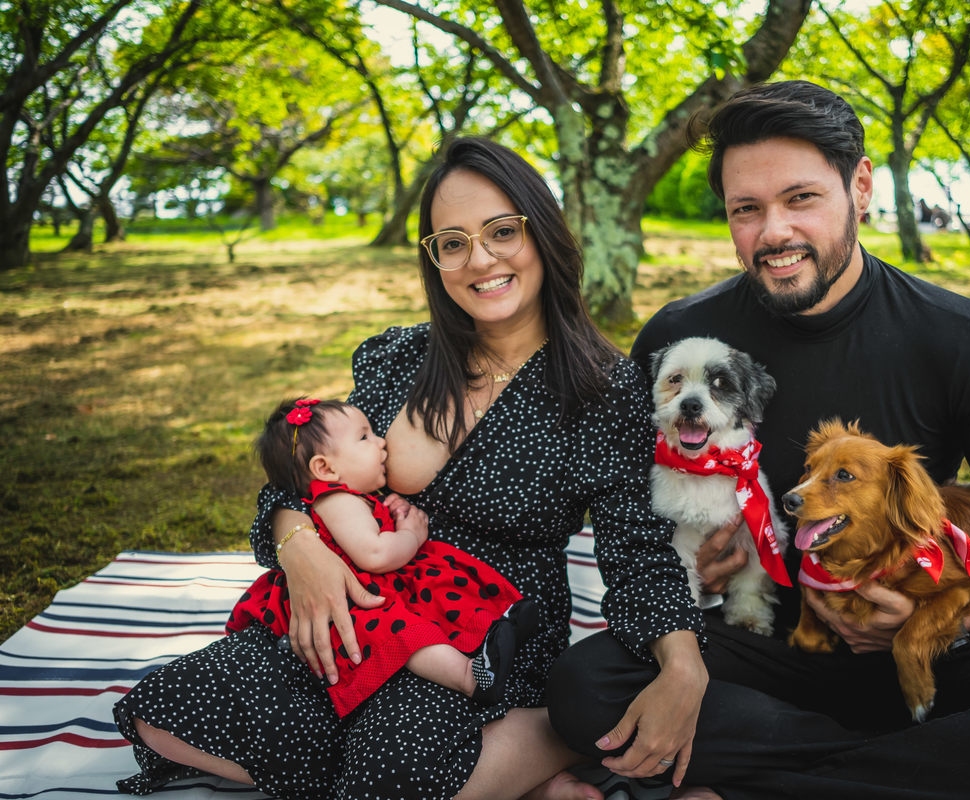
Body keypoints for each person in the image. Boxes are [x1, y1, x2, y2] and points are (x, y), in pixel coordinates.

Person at [546, 80, 970, 799]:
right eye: (746, 210)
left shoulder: (962, 338)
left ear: (860, 187)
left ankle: (786, 778)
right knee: (582, 687)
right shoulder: (679, 340)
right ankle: (916, 765)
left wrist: (933, 621)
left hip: (924, 636)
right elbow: (630, 520)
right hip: (764, 639)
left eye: (800, 199)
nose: (773, 233)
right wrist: (688, 617)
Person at [110, 137, 708, 800]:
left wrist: (682, 666)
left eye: (502, 231)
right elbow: (308, 475)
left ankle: (537, 738)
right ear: (433, 258)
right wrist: (300, 548)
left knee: (389, 776)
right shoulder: (398, 359)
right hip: (363, 614)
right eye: (452, 242)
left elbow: (639, 557)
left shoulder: (606, 392)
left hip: (478, 641)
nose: (479, 260)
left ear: (544, 232)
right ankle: (502, 779)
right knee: (161, 711)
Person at [224, 396, 539, 714]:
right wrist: (410, 535)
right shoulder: (335, 500)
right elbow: (374, 554)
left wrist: (393, 515)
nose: (381, 442)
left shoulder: (350, 497)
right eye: (365, 437)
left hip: (376, 590)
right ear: (325, 468)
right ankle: (469, 677)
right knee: (408, 634)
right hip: (360, 605)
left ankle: (499, 622)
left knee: (432, 596)